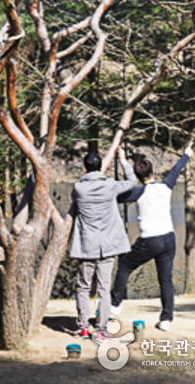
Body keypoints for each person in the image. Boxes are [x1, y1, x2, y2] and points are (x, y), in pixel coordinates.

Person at [110, 142, 194, 331]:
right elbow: (176, 170)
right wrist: (186, 154)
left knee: (124, 265)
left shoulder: (139, 191)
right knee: (165, 280)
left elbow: (117, 197)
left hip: (150, 240)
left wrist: (122, 161)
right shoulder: (165, 186)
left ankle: (115, 304)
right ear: (153, 172)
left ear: (138, 177)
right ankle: (166, 320)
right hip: (168, 239)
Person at [69, 146, 137, 342]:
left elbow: (75, 202)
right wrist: (123, 160)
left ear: (84, 169)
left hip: (86, 245)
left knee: (83, 286)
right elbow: (132, 181)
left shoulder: (79, 188)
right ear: (101, 168)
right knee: (104, 289)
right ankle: (101, 329)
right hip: (108, 246)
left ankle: (83, 327)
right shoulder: (110, 185)